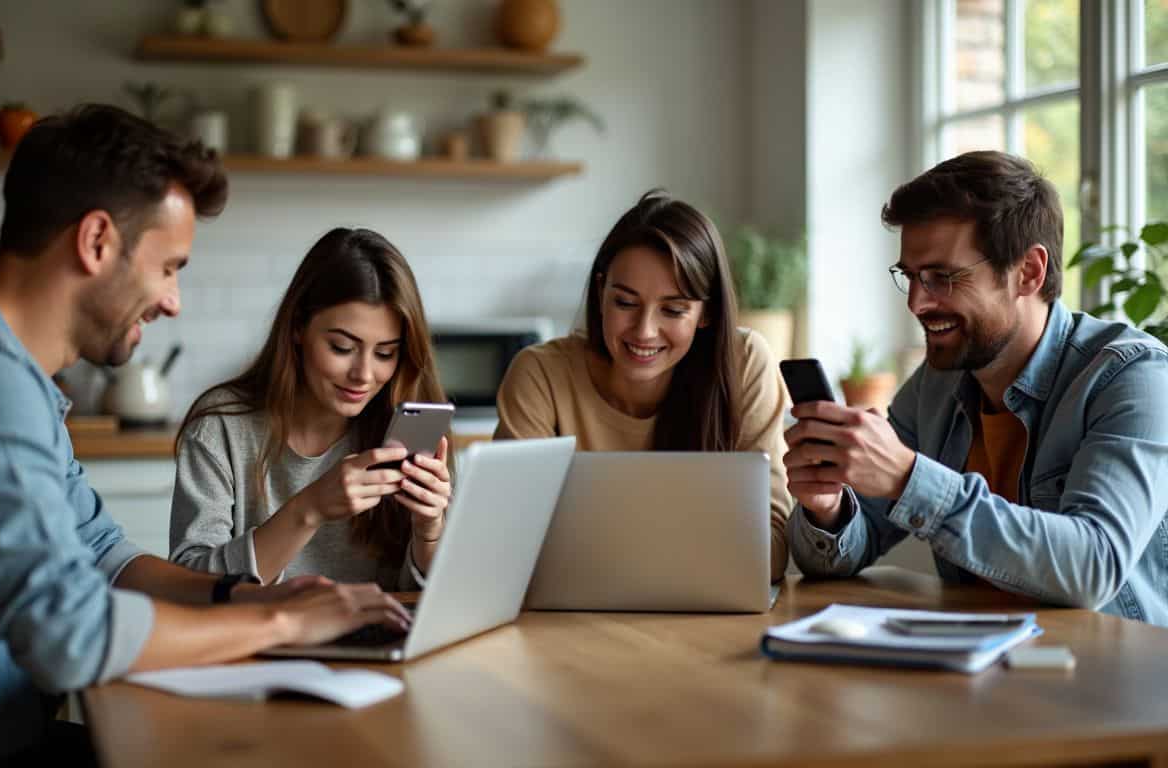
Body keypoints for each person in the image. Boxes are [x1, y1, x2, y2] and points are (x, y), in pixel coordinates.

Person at [0, 105, 408, 767]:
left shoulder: (7, 374)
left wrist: (245, 593)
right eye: (168, 267)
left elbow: (106, 555)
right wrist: (279, 623)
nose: (173, 300)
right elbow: (66, 633)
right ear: (97, 241)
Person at [784, 150, 1168, 626]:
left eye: (943, 277)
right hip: (981, 667)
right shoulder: (936, 385)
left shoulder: (1132, 377)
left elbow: (1093, 566)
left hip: (1111, 681)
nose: (918, 303)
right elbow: (838, 555)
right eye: (910, 277)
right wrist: (829, 509)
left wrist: (908, 479)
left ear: (1029, 271)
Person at [494, 190, 792, 582]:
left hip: (705, 618)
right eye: (625, 303)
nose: (644, 331)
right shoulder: (541, 374)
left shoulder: (746, 362)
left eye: (672, 309)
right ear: (601, 292)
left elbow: (769, 550)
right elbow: (507, 544)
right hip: (568, 622)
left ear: (707, 313)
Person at [169, 227, 452, 591]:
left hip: (381, 642)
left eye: (385, 353)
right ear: (298, 327)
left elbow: (427, 603)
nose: (364, 375)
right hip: (259, 642)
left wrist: (429, 531)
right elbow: (189, 584)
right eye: (341, 347)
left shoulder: (404, 425)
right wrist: (310, 509)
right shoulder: (222, 427)